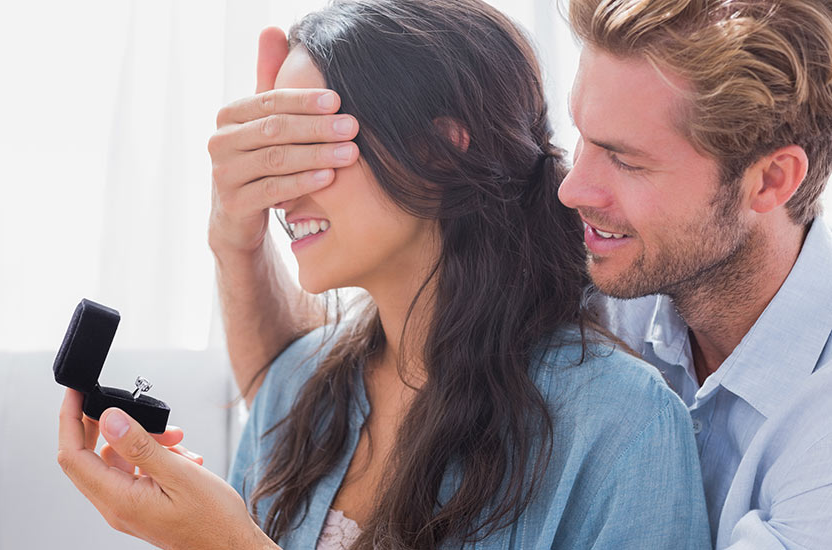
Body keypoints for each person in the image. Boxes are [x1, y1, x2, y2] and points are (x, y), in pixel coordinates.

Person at [58, 1, 710, 549]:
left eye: (308, 145)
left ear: (440, 145)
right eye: (269, 152)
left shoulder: (622, 426)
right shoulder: (294, 388)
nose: (278, 191)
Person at [206, 0, 832, 548]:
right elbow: (293, 389)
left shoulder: (654, 415)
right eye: (582, 137)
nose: (572, 188)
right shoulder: (612, 274)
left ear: (771, 181)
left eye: (625, 159)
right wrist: (237, 243)